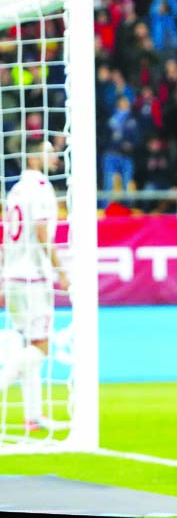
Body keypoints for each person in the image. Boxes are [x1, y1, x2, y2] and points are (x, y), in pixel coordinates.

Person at [0, 140, 70, 432]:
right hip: (33, 276)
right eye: (48, 151)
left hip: (13, 276)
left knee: (30, 343)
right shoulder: (40, 186)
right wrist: (60, 271)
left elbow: (6, 235)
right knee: (41, 346)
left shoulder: (15, 189)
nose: (53, 157)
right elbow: (42, 232)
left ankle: (33, 415)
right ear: (32, 156)